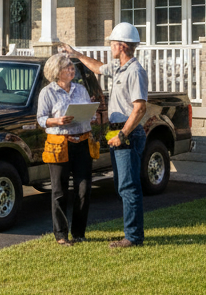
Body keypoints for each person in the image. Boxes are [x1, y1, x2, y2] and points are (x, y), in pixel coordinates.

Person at [61, 22, 148, 248]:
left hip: (127, 133)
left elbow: (140, 108)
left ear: (121, 46)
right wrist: (76, 54)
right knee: (122, 185)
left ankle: (133, 237)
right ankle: (131, 234)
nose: (110, 46)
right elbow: (98, 67)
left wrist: (122, 134)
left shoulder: (135, 71)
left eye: (112, 43)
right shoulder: (119, 68)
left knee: (129, 187)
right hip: (117, 131)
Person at [36, 52, 94, 246]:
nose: (72, 69)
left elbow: (88, 113)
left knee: (83, 189)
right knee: (59, 191)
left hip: (83, 142)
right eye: (68, 67)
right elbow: (41, 119)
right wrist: (57, 120)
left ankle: (79, 233)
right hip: (59, 144)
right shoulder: (47, 93)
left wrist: (90, 114)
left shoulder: (80, 89)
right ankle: (61, 235)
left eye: (72, 66)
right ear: (56, 72)